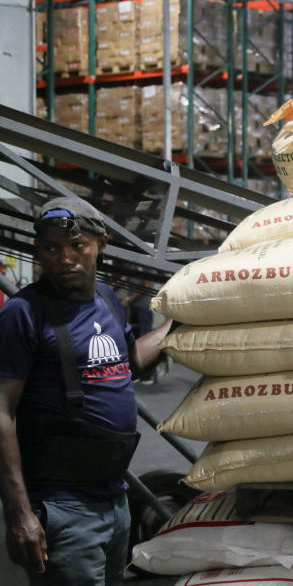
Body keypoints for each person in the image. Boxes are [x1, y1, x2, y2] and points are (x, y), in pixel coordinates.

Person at [0, 196, 173, 585]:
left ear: (101, 244)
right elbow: (1, 411)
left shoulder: (108, 301)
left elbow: (126, 362)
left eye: (77, 245)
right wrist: (18, 513)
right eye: (51, 248)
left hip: (114, 498)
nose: (65, 258)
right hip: (62, 505)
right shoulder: (24, 313)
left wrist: (176, 326)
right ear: (38, 251)